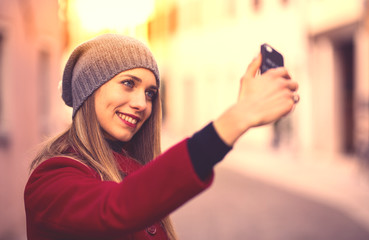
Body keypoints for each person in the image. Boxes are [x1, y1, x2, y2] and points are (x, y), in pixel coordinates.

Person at [24, 34, 299, 240]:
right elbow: (117, 207)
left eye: (150, 93)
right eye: (128, 83)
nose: (142, 104)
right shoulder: (51, 178)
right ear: (89, 90)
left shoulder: (130, 165)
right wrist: (237, 118)